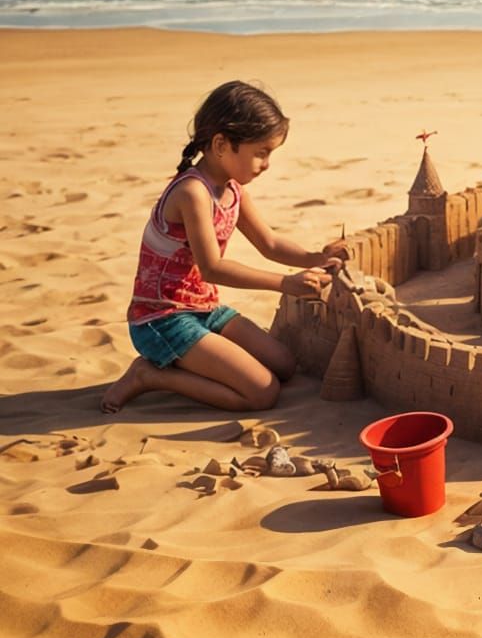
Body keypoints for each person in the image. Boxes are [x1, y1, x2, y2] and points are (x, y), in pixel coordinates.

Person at [100, 80, 348, 414]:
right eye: (261, 153)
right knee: (262, 392)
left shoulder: (233, 189)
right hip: (161, 320)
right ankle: (150, 376)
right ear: (221, 145)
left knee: (284, 364)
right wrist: (285, 283)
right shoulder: (192, 193)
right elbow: (212, 268)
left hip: (204, 309)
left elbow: (270, 243)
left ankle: (202, 358)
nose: (267, 164)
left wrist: (317, 257)